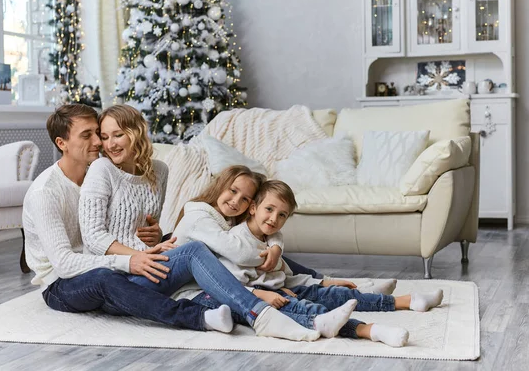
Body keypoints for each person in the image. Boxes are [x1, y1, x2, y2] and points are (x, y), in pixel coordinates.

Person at [77, 104, 320, 341]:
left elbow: (143, 226)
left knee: (217, 244)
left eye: (118, 135)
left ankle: (316, 284)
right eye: (105, 136)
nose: (109, 144)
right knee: (196, 250)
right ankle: (259, 312)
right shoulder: (101, 168)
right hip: (118, 273)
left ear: (136, 133)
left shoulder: (158, 170)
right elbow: (94, 237)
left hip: (150, 260)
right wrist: (136, 257)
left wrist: (155, 235)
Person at [23, 103, 240, 334]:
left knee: (183, 241)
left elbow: (121, 228)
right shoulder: (45, 192)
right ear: (61, 143)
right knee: (105, 279)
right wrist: (130, 261)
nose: (99, 142)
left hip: (103, 263)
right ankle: (197, 316)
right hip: (62, 284)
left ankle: (252, 284)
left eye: (98, 134)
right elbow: (65, 264)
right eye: (87, 135)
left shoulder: (99, 172)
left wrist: (155, 237)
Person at [174, 174, 445, 347]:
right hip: (241, 295)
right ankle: (369, 330)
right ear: (254, 209)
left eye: (282, 215)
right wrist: (262, 292)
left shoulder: (268, 237)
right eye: (269, 210)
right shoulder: (231, 239)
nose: (273, 219)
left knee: (323, 292)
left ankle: (405, 301)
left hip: (275, 287)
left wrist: (313, 278)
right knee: (304, 306)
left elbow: (285, 271)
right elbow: (227, 282)